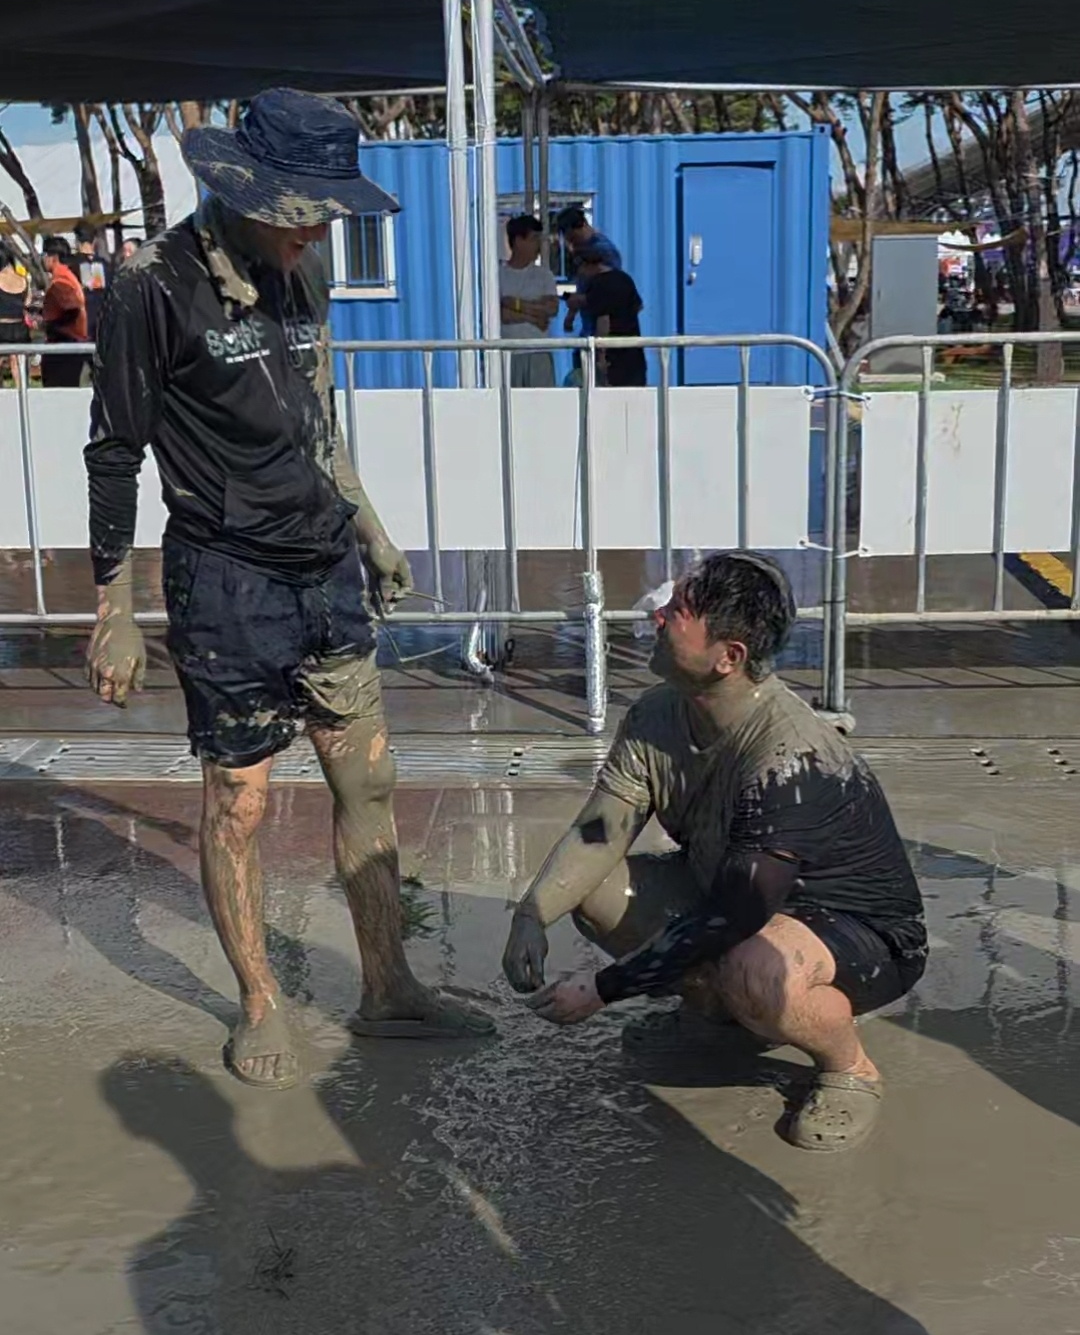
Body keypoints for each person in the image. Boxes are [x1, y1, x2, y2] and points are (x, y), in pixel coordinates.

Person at [84, 88, 495, 1091]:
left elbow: (319, 421)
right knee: (240, 802)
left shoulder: (305, 271)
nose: (317, 228)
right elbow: (113, 452)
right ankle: (260, 998)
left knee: (368, 782)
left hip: (324, 571)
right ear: (246, 189)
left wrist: (371, 529)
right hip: (226, 582)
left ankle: (389, 987)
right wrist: (113, 610)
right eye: (304, 209)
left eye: (327, 211)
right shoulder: (149, 286)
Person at [503, 552, 928, 1153]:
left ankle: (848, 1068)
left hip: (860, 935)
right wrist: (531, 914)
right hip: (736, 900)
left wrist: (604, 987)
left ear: (729, 657)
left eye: (677, 612)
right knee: (596, 892)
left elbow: (735, 914)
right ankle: (718, 1013)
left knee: (754, 964)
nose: (655, 616)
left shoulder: (789, 758)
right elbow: (600, 831)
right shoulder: (657, 714)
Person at [499, 214, 559, 387]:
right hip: (509, 354)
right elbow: (502, 315)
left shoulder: (544, 275)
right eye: (534, 239)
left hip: (538, 353)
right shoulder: (499, 276)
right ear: (518, 241)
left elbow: (551, 308)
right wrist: (535, 317)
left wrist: (516, 304)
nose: (538, 245)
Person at [577, 246, 647, 386]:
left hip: (613, 355)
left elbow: (603, 322)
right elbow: (639, 306)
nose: (580, 273)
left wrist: (600, 355)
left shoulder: (598, 284)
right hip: (633, 351)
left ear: (588, 265)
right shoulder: (624, 278)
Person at [555, 205, 621, 338]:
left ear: (582, 225)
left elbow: (609, 292)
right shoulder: (581, 250)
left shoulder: (603, 250)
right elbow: (582, 284)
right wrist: (571, 314)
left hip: (607, 329)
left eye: (573, 238)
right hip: (589, 328)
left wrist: (581, 300)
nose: (572, 244)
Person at [41, 234, 89, 387]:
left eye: (44, 255)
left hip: (64, 345)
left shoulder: (61, 281)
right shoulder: (66, 277)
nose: (43, 259)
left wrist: (52, 325)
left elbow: (73, 308)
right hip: (68, 343)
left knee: (59, 391)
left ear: (53, 257)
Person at [71, 219, 112, 342]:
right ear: (95, 240)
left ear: (77, 241)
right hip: (103, 322)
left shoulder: (71, 266)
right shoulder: (106, 265)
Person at [0, 239, 30, 387]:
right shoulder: (23, 280)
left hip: (1, 326)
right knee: (18, 366)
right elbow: (28, 303)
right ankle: (23, 391)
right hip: (20, 327)